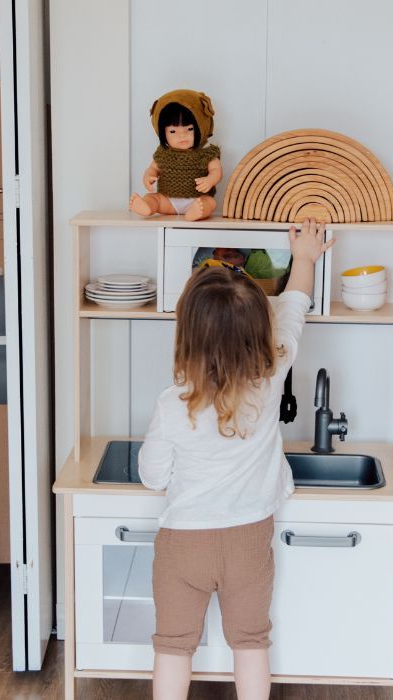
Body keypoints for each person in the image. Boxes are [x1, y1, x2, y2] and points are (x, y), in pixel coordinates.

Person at [138, 218, 334, 700]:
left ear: (187, 334)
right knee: (250, 644)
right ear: (257, 331)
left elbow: (152, 476)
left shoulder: (172, 402)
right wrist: (304, 258)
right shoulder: (270, 378)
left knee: (172, 648)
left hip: (184, 543)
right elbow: (295, 309)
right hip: (249, 539)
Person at [129, 89, 221, 222]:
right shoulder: (163, 153)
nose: (182, 135)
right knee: (153, 197)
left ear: (201, 127)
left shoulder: (206, 152)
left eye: (189, 129)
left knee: (210, 202)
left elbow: (216, 170)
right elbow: (153, 168)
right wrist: (148, 176)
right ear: (162, 133)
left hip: (197, 199)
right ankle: (147, 206)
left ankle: (196, 212)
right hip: (168, 200)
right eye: (173, 131)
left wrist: (210, 180)